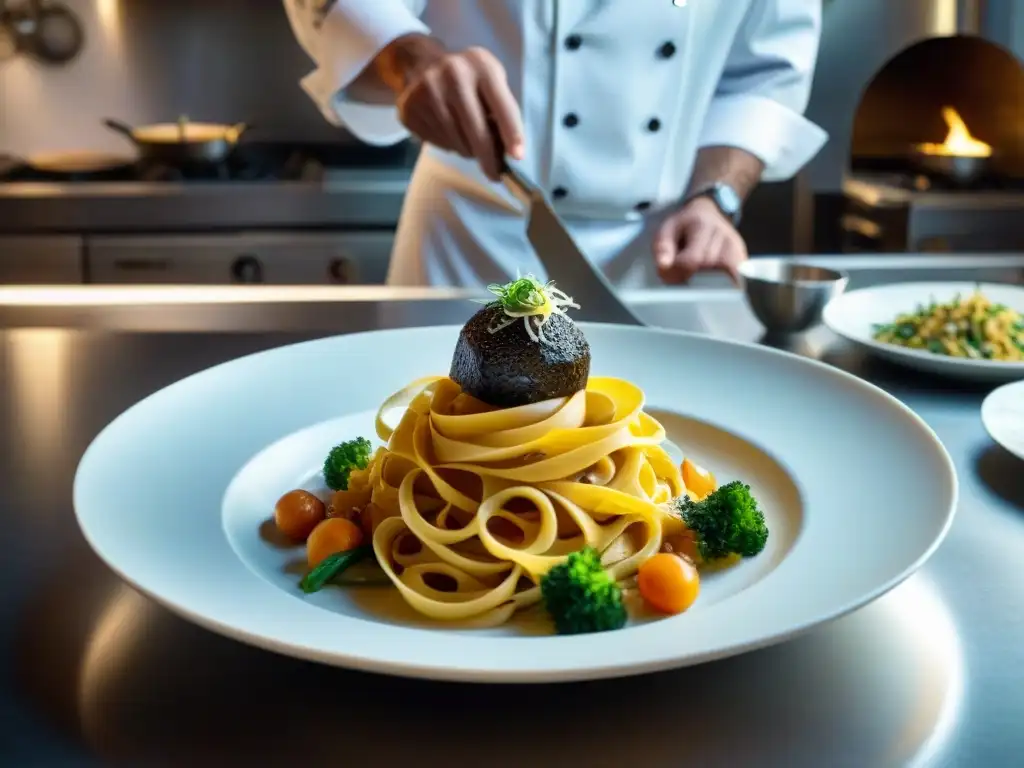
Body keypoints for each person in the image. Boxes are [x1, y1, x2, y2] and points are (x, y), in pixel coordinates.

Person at [284, 0, 827, 288]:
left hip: (656, 260)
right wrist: (404, 54)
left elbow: (766, 72)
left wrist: (715, 199)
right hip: (469, 242)